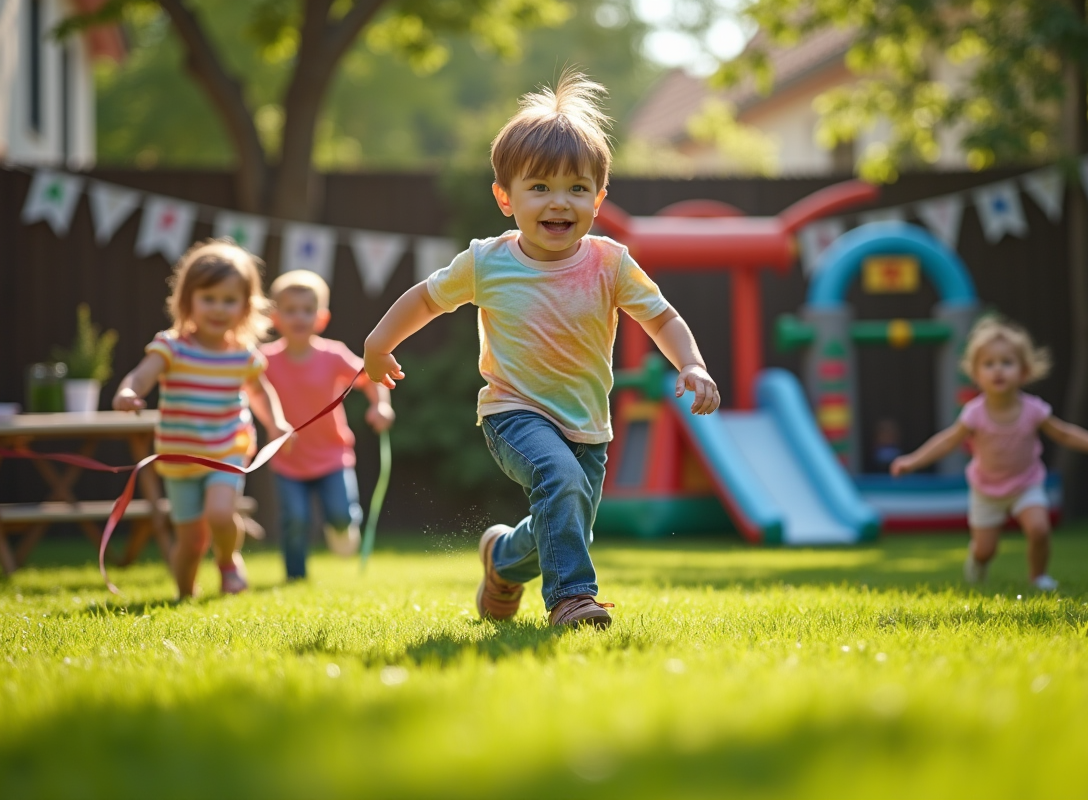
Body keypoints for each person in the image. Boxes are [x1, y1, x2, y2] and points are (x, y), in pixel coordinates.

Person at [363, 71, 720, 628]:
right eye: (540, 188)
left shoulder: (609, 263)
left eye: (577, 188)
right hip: (513, 412)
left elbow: (661, 316)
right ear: (506, 198)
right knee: (559, 482)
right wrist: (379, 343)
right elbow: (426, 299)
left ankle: (502, 560)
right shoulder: (488, 262)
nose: (560, 202)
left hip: (588, 423)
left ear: (599, 198)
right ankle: (573, 599)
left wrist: (692, 363)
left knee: (565, 517)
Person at [890, 317, 1088, 590]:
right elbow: (946, 442)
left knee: (1039, 529)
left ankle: (1038, 575)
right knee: (985, 550)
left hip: (1026, 483)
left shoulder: (1034, 410)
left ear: (1024, 371)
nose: (998, 370)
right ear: (977, 375)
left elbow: (1064, 433)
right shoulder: (974, 414)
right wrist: (912, 461)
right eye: (988, 364)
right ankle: (977, 562)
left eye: (1007, 362)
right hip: (986, 489)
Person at [113, 239, 290, 598]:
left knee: (221, 513)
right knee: (190, 540)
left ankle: (227, 561)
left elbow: (260, 392)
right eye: (208, 298)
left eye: (229, 300)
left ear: (245, 306)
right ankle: (184, 594)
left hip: (227, 447)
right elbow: (142, 375)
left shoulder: (243, 354)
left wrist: (276, 423)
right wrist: (128, 392)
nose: (218, 308)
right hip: (179, 456)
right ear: (187, 300)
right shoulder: (171, 346)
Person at [261, 269, 395, 580]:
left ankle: (345, 525)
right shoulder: (264, 360)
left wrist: (381, 406)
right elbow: (247, 390)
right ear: (274, 317)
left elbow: (370, 377)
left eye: (307, 310)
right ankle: (296, 576)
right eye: (290, 310)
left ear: (321, 318)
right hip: (288, 458)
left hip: (332, 456)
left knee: (340, 514)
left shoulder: (332, 354)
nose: (299, 317)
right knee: (295, 519)